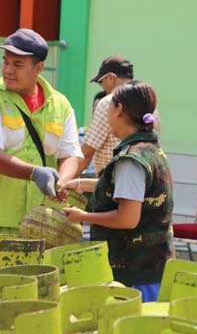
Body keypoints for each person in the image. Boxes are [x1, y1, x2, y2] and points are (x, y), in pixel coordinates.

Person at [0, 28, 82, 234]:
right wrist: (34, 173)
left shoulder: (61, 105)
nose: (8, 70)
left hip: (35, 223)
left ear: (39, 67)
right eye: (6, 62)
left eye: (17, 64)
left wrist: (63, 182)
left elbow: (70, 154)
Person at [62, 81, 174, 302]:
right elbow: (129, 191)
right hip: (154, 265)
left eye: (108, 109)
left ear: (119, 109)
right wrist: (81, 184)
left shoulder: (130, 160)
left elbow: (127, 218)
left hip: (135, 270)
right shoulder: (150, 148)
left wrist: (82, 216)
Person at [78, 56, 159, 176]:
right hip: (143, 176)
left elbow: (87, 152)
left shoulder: (109, 102)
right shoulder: (148, 102)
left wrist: (63, 182)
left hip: (112, 179)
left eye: (101, 82)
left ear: (110, 77)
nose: (103, 87)